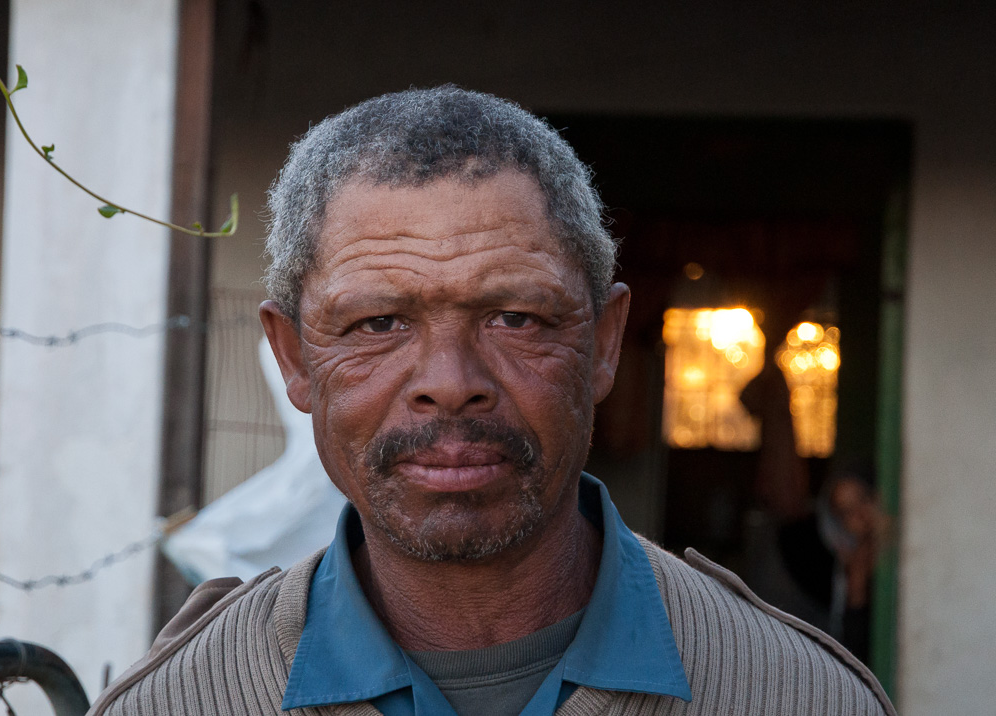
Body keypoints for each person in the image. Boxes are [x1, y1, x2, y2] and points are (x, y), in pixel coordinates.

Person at [88, 86, 896, 716]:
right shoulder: (182, 701)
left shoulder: (800, 696)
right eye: (378, 321)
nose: (449, 378)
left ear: (605, 343)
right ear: (295, 357)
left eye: (515, 317)